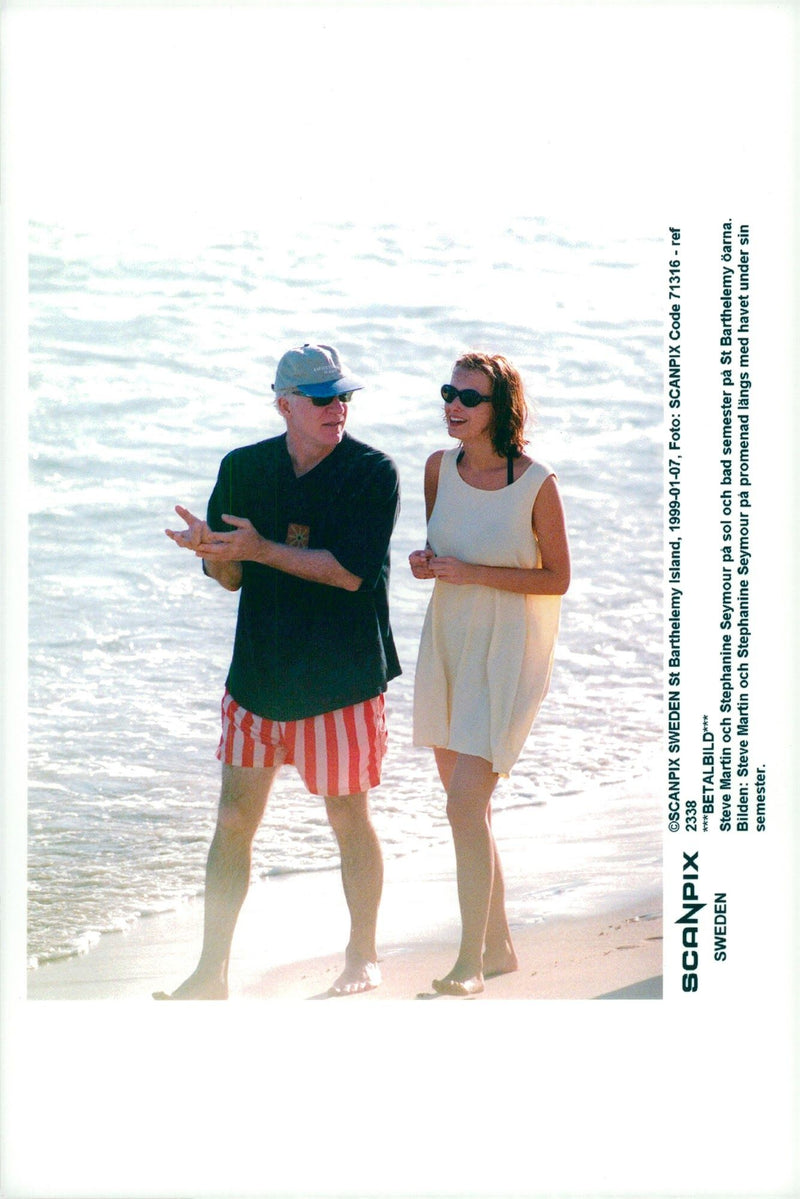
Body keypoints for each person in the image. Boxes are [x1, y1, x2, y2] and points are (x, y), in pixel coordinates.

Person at [155, 343, 401, 999]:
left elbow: (350, 573)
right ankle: (212, 971)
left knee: (349, 816)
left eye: (343, 396)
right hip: (258, 678)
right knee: (234, 819)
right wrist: (212, 552)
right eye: (322, 398)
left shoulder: (373, 472)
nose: (337, 408)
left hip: (342, 681)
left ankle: (363, 956)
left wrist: (259, 547)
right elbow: (232, 578)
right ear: (284, 403)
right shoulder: (243, 467)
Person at [409, 351, 570, 996]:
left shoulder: (537, 482)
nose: (453, 404)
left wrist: (471, 572)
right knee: (467, 810)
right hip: (449, 644)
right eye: (449, 391)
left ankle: (468, 962)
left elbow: (557, 579)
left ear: (500, 408)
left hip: (510, 655)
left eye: (468, 397)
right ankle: (499, 947)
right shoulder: (436, 468)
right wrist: (429, 563)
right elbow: (442, 548)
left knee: (464, 804)